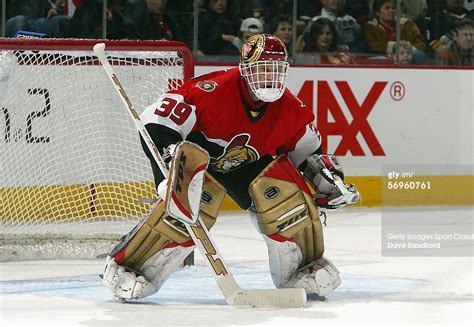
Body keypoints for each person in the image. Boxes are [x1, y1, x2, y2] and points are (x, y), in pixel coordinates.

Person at [101, 34, 360, 302]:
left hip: (243, 165)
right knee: (191, 203)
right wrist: (170, 170)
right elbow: (155, 124)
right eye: (262, 69)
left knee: (285, 194)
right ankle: (130, 267)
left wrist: (330, 182)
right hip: (198, 161)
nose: (269, 78)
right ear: (245, 68)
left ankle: (300, 270)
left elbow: (309, 155)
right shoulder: (213, 90)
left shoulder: (291, 110)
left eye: (276, 70)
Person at [364, 0, 429, 63]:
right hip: (384, 57)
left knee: (418, 54)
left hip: (409, 56)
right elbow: (373, 46)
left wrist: (407, 50)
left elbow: (421, 42)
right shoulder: (370, 27)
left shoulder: (407, 23)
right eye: (387, 8)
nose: (391, 11)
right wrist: (398, 47)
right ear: (377, 13)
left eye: (393, 8)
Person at [303, 0, 367, 53]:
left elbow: (363, 45)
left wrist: (347, 49)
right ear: (323, 1)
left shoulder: (351, 21)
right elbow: (308, 47)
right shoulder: (314, 21)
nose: (337, 1)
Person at [5, 0, 71, 37]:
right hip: (21, 22)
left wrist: (52, 10)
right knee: (19, 20)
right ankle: (17, 55)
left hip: (38, 24)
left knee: (63, 20)